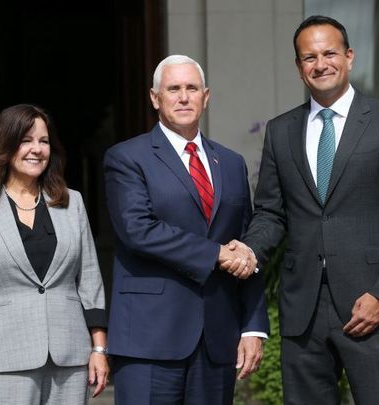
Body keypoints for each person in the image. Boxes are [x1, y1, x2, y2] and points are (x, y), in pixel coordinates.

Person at [234, 15, 379, 405]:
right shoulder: (281, 130)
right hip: (303, 309)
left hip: (371, 304)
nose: (320, 64)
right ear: (298, 67)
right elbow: (271, 212)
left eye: (329, 53)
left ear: (350, 57)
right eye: (309, 57)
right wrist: (251, 250)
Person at [104, 54, 269, 405]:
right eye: (173, 89)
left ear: (206, 97)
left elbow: (246, 246)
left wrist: (253, 326)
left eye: (191, 88)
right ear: (155, 98)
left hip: (216, 341)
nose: (183, 97)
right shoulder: (127, 158)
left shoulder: (231, 164)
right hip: (150, 340)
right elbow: (138, 230)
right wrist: (216, 253)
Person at [0, 104, 109, 405]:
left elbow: (90, 280)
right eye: (26, 140)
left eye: (44, 141)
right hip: (3, 360)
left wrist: (99, 350)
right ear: (5, 145)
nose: (36, 149)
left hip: (70, 359)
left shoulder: (71, 202)